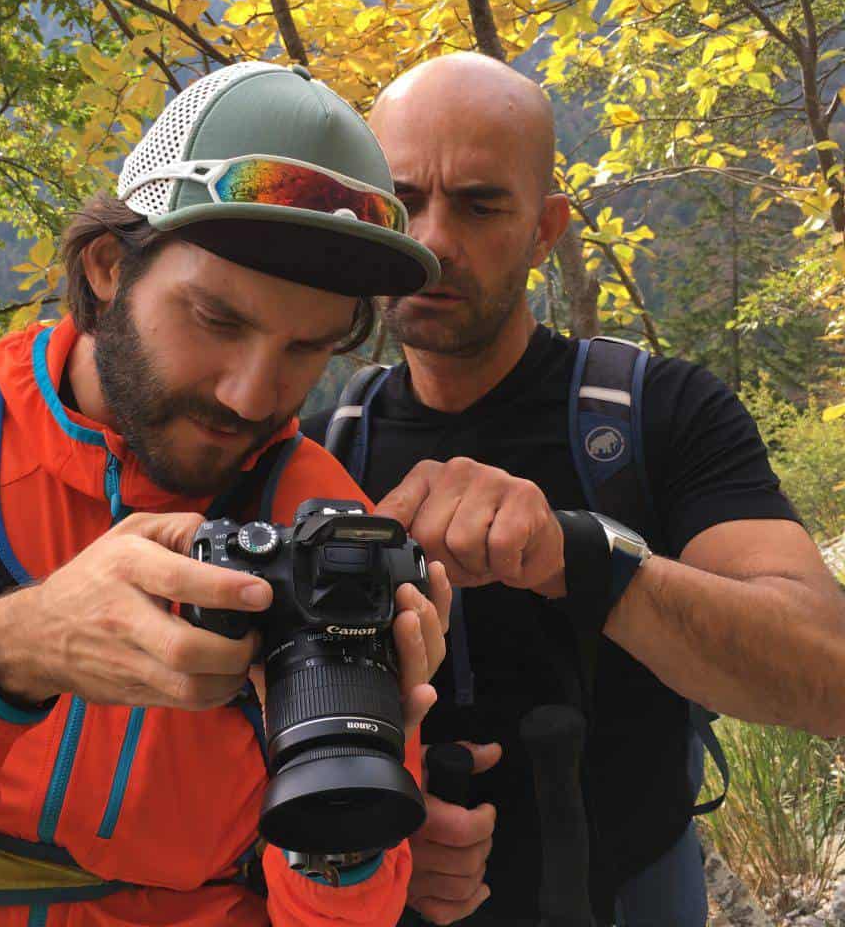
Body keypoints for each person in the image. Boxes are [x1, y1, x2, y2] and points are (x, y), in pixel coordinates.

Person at [0, 61, 453, 927]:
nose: (250, 394)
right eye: (217, 320)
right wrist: (4, 654)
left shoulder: (320, 522)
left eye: (309, 349)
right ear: (110, 265)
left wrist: (344, 825)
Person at [302, 52, 845, 926]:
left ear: (546, 229)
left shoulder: (660, 415)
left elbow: (827, 677)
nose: (434, 240)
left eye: (481, 205)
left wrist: (583, 556)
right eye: (404, 203)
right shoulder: (321, 445)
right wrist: (372, 845)